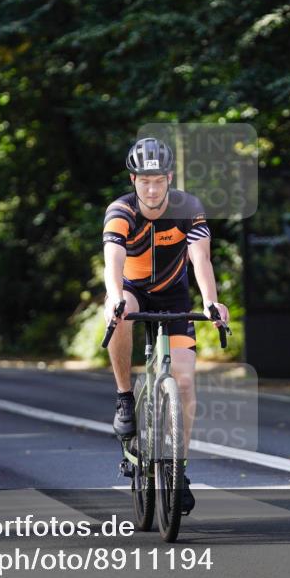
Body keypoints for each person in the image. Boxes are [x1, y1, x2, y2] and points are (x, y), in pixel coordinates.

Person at [102, 137, 230, 514]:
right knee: (121, 312)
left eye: (159, 180)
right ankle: (125, 397)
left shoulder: (188, 208)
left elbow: (201, 260)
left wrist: (210, 300)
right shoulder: (121, 211)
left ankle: (178, 471)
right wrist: (113, 296)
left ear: (170, 178)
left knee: (186, 383)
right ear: (133, 180)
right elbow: (112, 260)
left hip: (174, 297)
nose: (152, 188)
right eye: (145, 181)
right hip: (133, 289)